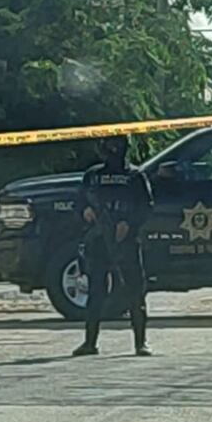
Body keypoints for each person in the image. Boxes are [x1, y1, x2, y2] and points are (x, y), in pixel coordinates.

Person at [72, 136, 153, 357]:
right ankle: (90, 343)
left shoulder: (134, 176)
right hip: (98, 241)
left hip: (125, 239)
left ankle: (140, 342)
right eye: (109, 147)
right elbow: (78, 202)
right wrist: (85, 211)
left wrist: (129, 224)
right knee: (96, 291)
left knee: (135, 291)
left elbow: (146, 207)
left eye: (116, 147)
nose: (113, 151)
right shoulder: (93, 176)